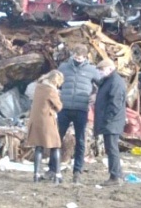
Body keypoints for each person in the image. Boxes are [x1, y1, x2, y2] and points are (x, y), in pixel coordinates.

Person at [47, 44, 99, 183]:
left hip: (81, 109)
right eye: (75, 57)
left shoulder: (92, 70)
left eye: (80, 58)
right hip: (64, 108)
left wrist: (94, 97)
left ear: (85, 57)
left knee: (80, 141)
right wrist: (55, 92)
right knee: (57, 138)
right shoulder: (64, 67)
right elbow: (54, 82)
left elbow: (102, 85)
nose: (77, 59)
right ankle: (52, 168)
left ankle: (77, 171)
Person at [26, 70, 65, 184]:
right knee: (55, 146)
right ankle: (57, 174)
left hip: (35, 120)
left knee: (39, 147)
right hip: (47, 121)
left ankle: (36, 175)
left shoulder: (39, 87)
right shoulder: (51, 91)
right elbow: (59, 107)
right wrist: (58, 96)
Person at [94, 58, 127, 186]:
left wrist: (107, 119)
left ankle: (115, 177)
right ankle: (118, 174)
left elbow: (115, 103)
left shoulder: (115, 81)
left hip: (112, 121)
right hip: (112, 121)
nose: (100, 72)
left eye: (101, 70)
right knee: (112, 148)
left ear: (110, 69)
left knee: (112, 149)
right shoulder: (110, 80)